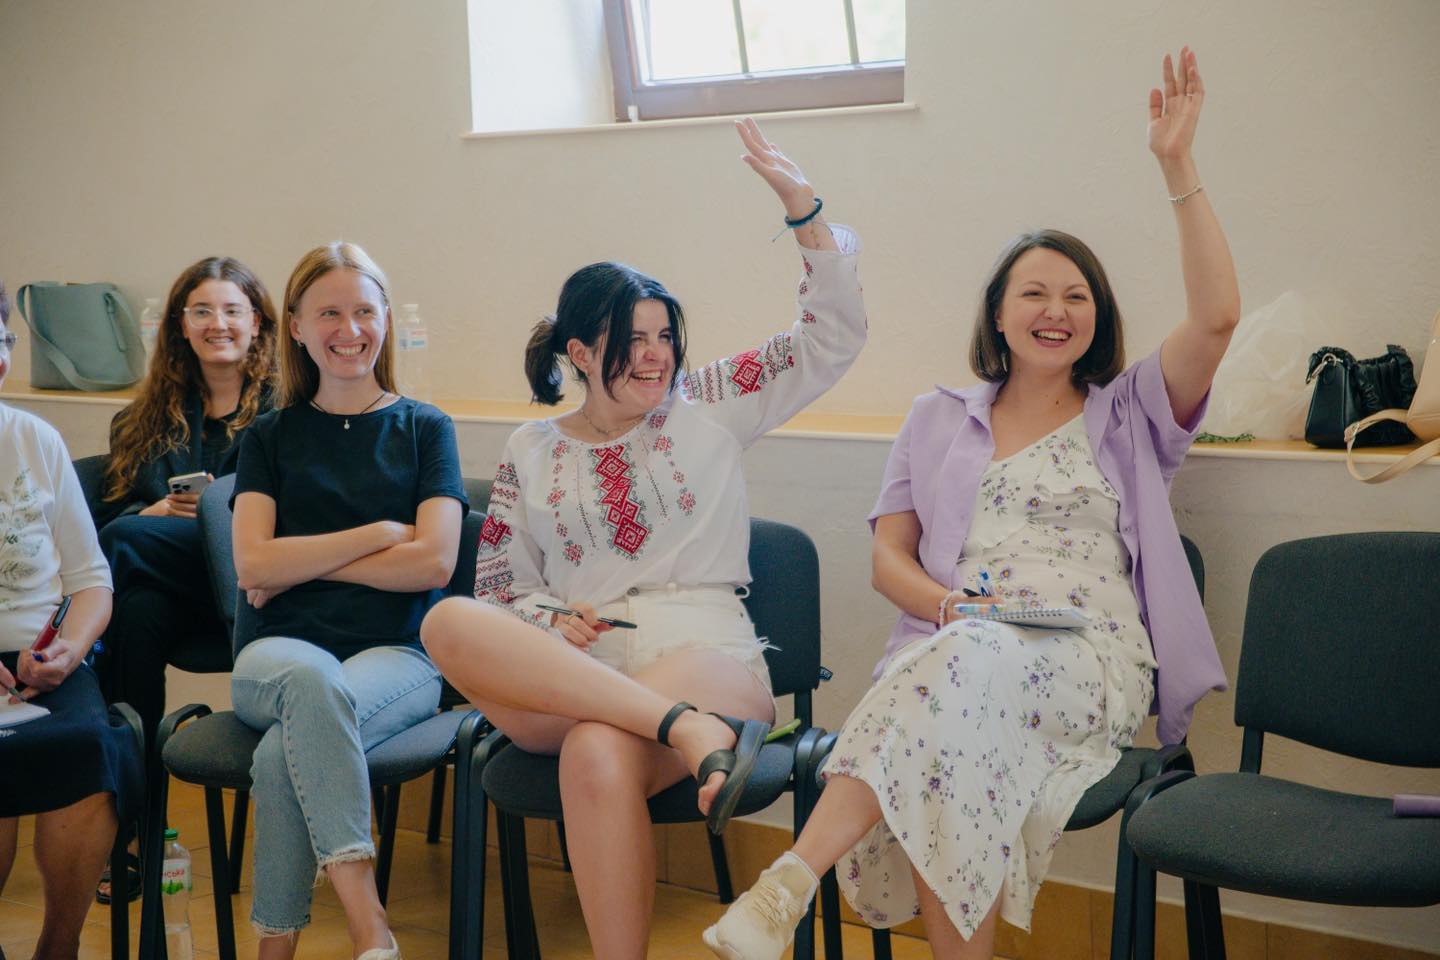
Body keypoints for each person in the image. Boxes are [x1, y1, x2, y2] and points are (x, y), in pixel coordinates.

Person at [704, 48, 1236, 960]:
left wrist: (1177, 165)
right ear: (998, 313)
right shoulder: (936, 418)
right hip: (957, 647)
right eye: (1034, 292)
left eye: (1076, 296)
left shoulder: (1132, 414)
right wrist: (951, 609)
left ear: (1097, 320)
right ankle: (792, 891)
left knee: (951, 685)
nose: (1055, 309)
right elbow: (889, 561)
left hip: (1088, 658)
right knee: (953, 728)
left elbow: (1218, 317)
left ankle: (789, 881)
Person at [420, 117, 867, 958]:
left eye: (665, 336)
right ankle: (683, 728)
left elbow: (829, 339)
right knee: (446, 622)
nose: (657, 356)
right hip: (574, 668)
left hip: (702, 651)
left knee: (595, 751)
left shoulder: (709, 404)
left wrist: (804, 212)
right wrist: (551, 618)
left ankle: (681, 728)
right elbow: (503, 592)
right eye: (634, 341)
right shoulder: (530, 449)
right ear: (582, 351)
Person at [229, 242, 466, 960]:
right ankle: (370, 925)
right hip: (277, 654)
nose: (349, 329)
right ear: (297, 327)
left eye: (364, 311)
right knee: (310, 683)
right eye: (328, 313)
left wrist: (301, 564)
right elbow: (252, 564)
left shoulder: (427, 428)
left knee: (285, 751)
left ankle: (276, 951)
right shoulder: (267, 437)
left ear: (386, 319)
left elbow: (434, 562)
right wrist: (378, 535)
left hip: (398, 656)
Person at [0, 279, 141, 960]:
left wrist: (70, 650)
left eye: (1, 341)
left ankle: (59, 946)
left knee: (91, 748)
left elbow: (90, 581)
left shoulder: (35, 438)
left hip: (41, 661)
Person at [96, 255, 277, 750]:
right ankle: (133, 772)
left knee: (119, 541)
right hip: (180, 584)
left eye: (232, 311)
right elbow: (118, 507)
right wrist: (152, 515)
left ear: (256, 322)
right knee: (137, 610)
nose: (217, 324)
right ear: (181, 324)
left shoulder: (288, 413)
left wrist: (216, 514)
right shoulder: (140, 422)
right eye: (201, 311)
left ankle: (65, 653)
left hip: (256, 585)